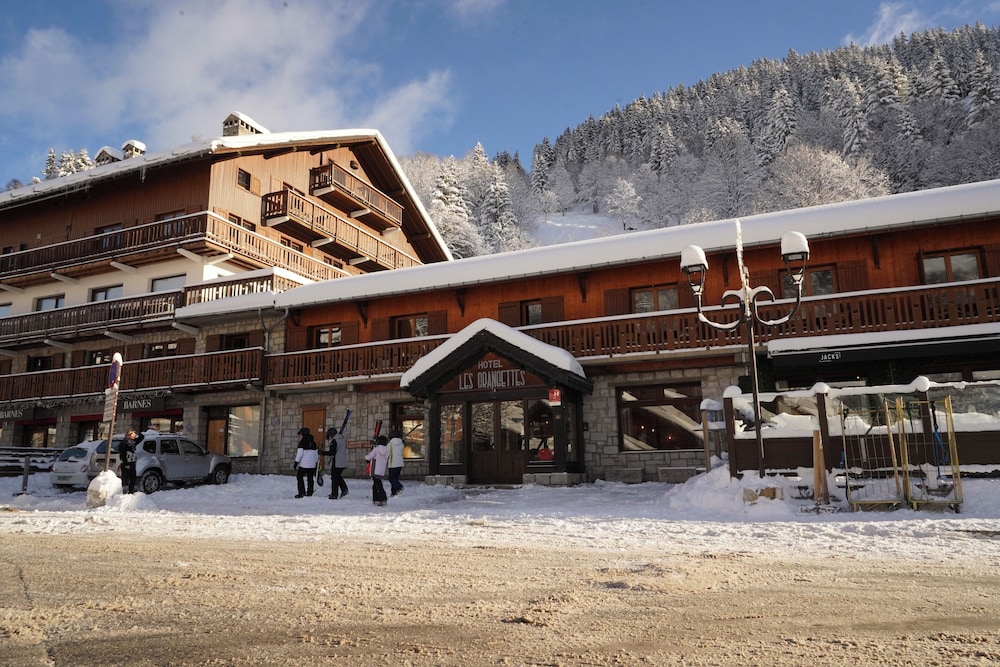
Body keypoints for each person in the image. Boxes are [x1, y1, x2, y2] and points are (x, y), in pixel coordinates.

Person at [322, 427, 349, 500]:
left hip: (337, 462)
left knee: (334, 478)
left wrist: (322, 452)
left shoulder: (334, 441)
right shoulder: (342, 439)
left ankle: (334, 494)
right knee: (337, 476)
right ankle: (344, 489)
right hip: (342, 461)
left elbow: (332, 452)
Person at [293, 427, 319, 498]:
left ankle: (301, 492)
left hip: (304, 464)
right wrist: (315, 462)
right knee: (310, 478)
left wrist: (296, 463)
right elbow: (316, 454)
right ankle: (310, 492)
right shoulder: (313, 443)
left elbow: (300, 454)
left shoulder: (302, 443)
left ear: (303, 435)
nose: (300, 436)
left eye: (300, 434)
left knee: (299, 477)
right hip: (312, 465)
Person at [365, 435, 389, 506]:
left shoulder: (376, 449)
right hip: (381, 470)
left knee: (378, 485)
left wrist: (366, 458)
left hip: (375, 469)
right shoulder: (387, 450)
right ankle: (376, 498)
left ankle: (382, 499)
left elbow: (369, 457)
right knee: (376, 484)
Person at [118, 428, 144, 494]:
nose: (135, 435)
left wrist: (137, 432)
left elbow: (141, 437)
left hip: (132, 462)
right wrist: (126, 463)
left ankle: (131, 492)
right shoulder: (124, 443)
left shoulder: (133, 442)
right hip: (126, 462)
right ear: (129, 434)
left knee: (133, 478)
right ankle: (124, 492)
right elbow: (122, 453)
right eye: (133, 433)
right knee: (126, 478)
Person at [386, 431, 405, 497]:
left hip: (392, 463)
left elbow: (387, 454)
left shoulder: (390, 444)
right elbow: (402, 452)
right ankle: (394, 492)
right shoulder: (401, 443)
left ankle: (399, 487)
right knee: (395, 478)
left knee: (391, 479)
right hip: (400, 463)